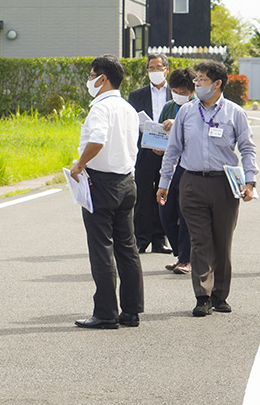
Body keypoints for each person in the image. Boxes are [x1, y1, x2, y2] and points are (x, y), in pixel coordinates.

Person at [158, 60, 258, 317]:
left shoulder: (234, 113)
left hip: (225, 183)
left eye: (201, 80)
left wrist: (250, 182)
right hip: (191, 182)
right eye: (196, 80)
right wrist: (164, 183)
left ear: (217, 84)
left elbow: (247, 148)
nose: (196, 84)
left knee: (222, 241)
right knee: (200, 241)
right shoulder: (187, 112)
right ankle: (202, 296)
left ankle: (219, 294)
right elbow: (173, 150)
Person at [69, 55, 145, 329]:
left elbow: (97, 140)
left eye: (91, 75)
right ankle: (132, 311)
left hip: (101, 183)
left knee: (101, 248)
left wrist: (80, 164)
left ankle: (105, 313)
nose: (89, 80)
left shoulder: (100, 108)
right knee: (127, 248)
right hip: (126, 181)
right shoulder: (127, 108)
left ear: (102, 79)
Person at [127, 54, 172, 254]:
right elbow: (132, 121)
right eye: (151, 68)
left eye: (158, 67)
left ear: (167, 69)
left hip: (170, 151)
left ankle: (159, 239)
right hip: (145, 150)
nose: (155, 71)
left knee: (164, 195)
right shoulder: (136, 95)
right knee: (143, 195)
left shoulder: (177, 93)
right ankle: (141, 239)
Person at [157, 68, 196, 274]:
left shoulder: (196, 108)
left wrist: (177, 123)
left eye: (183, 90)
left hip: (188, 166)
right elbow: (160, 135)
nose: (179, 93)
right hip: (169, 166)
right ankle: (180, 253)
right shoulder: (168, 107)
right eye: (175, 90)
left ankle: (186, 259)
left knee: (185, 213)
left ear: (191, 91)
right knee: (166, 212)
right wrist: (156, 144)